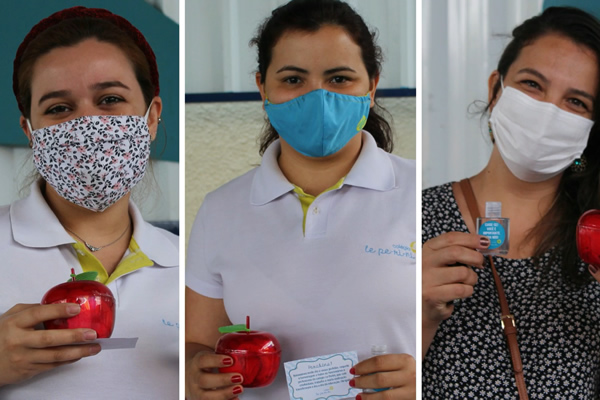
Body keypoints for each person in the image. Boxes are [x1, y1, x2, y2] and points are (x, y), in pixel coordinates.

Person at [185, 0, 416, 399]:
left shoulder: (419, 195)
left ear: (372, 86)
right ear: (262, 87)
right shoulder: (221, 209)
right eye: (293, 80)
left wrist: (421, 383)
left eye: (339, 79)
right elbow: (196, 346)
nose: (318, 99)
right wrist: (197, 375)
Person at [0, 7, 179, 399]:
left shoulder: (190, 266)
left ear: (151, 118)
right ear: (30, 131)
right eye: (59, 108)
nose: (87, 126)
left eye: (110, 99)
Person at [422, 6, 600, 399]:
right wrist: (416, 317)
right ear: (495, 90)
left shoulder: (594, 242)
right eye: (533, 85)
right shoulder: (414, 221)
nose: (547, 113)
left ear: (590, 129)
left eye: (576, 102)